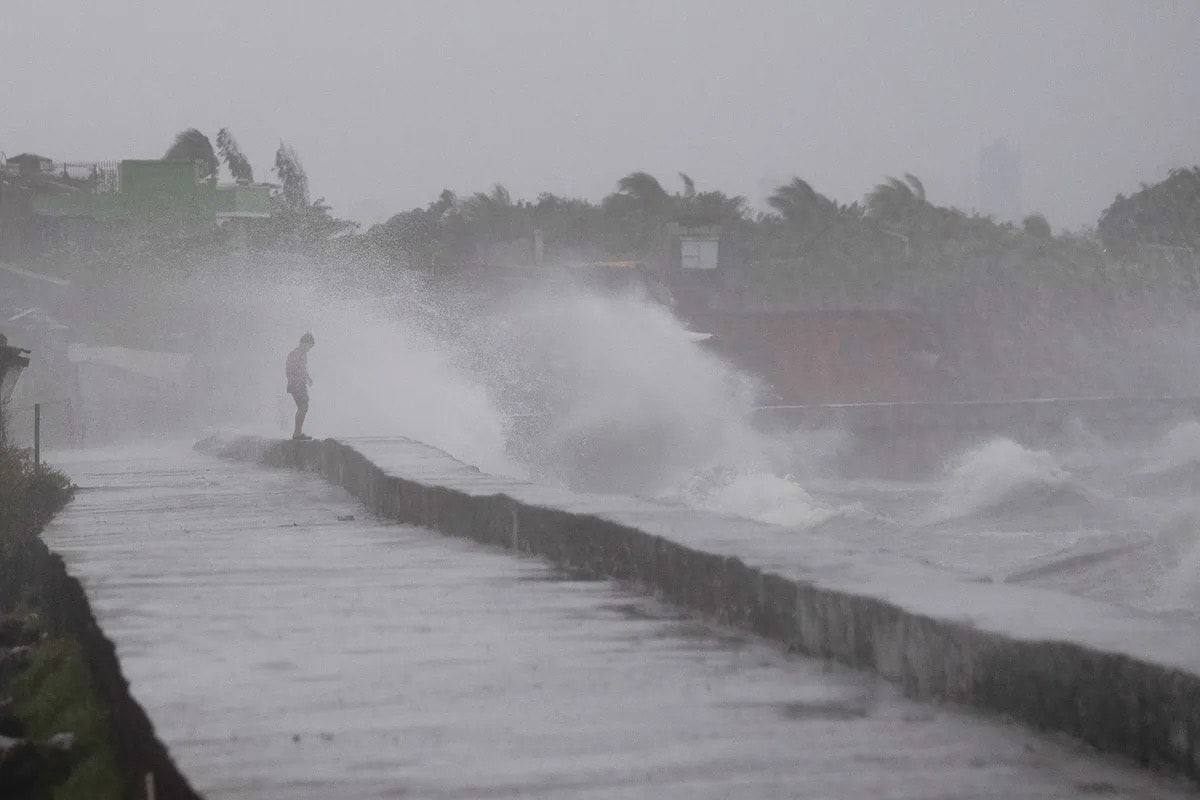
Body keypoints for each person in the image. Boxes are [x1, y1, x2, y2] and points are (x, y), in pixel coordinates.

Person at [285, 333, 315, 440]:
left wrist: (308, 377)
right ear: (304, 343)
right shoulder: (295, 354)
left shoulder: (302, 354)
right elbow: (290, 370)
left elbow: (303, 368)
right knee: (303, 407)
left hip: (299, 383)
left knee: (302, 407)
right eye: (309, 346)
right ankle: (297, 433)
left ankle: (298, 432)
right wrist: (299, 379)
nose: (309, 349)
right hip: (296, 384)